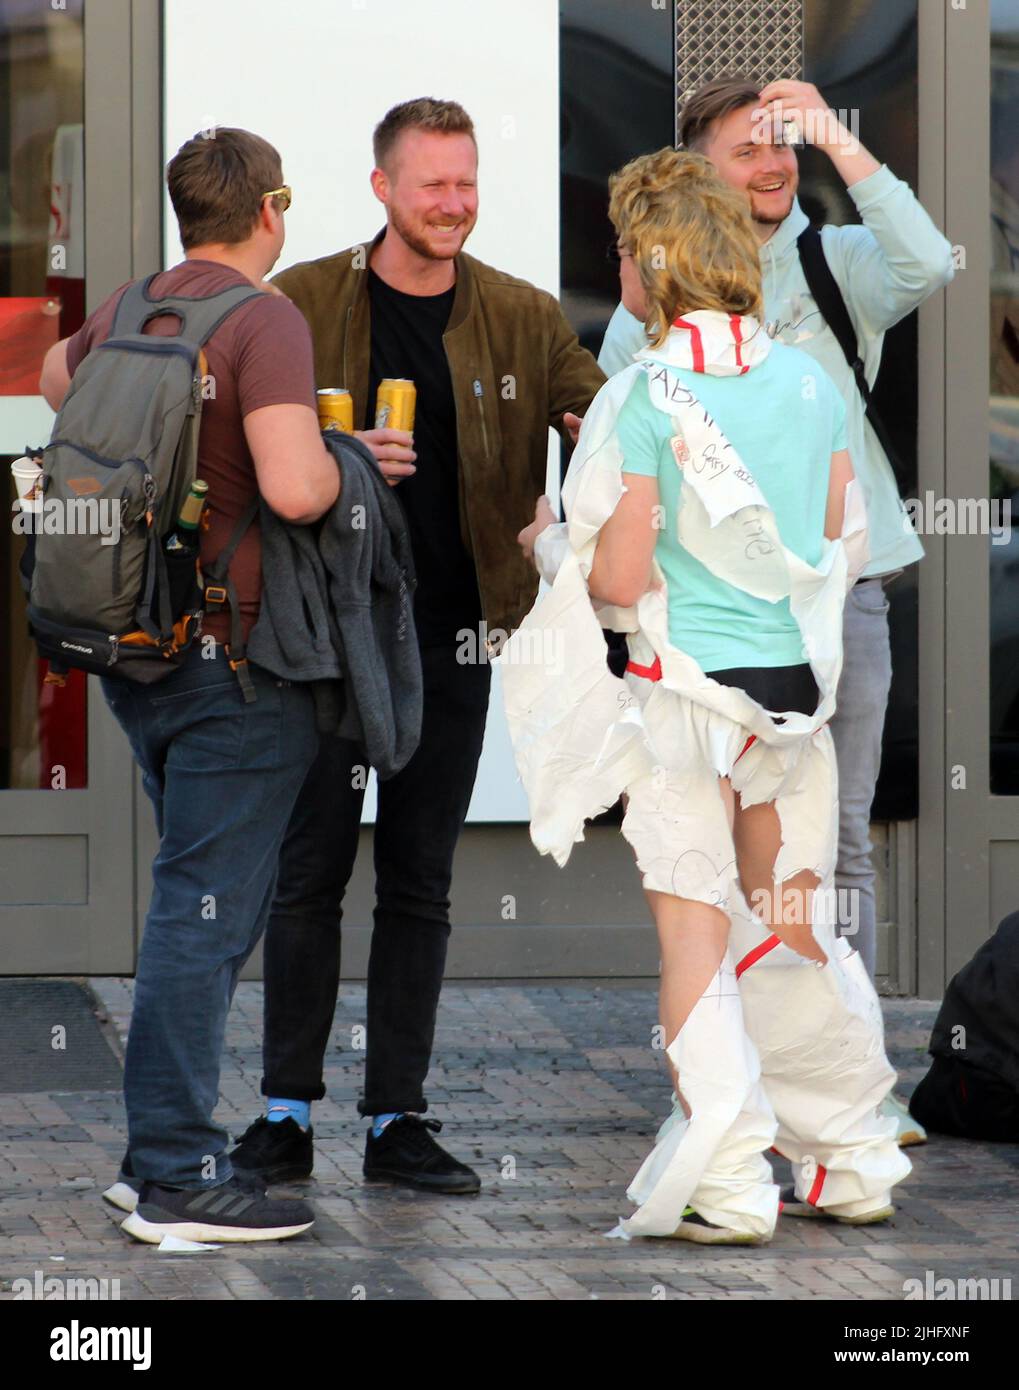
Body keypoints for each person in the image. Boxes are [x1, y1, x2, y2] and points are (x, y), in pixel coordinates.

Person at [507, 147, 910, 1244]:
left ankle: (728, 1182)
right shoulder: (809, 382)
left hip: (685, 704)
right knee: (793, 933)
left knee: (695, 945)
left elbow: (620, 582)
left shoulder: (637, 396)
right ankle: (852, 1159)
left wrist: (550, 548)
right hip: (794, 704)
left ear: (651, 262)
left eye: (624, 250)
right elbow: (841, 542)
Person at [229, 97, 605, 1194]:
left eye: (467, 182)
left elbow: (604, 417)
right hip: (324, 639)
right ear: (383, 187)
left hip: (456, 639)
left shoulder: (524, 318)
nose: (454, 204)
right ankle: (285, 1113)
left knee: (420, 881)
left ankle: (397, 1116)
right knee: (305, 879)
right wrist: (331, 450)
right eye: (432, 183)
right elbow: (238, 440)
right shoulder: (298, 303)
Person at [599, 77, 955, 1145]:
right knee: (707, 859)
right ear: (694, 168)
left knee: (833, 846)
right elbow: (623, 414)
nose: (770, 164)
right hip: (698, 624)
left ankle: (849, 1081)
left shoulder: (828, 263)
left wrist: (836, 136)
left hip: (835, 607)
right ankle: (733, 1076)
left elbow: (931, 261)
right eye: (746, 148)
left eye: (782, 148)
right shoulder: (653, 298)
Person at [39, 128, 341, 1243]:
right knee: (200, 912)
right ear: (272, 207)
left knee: (202, 897)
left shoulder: (133, 304)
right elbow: (299, 489)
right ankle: (172, 1166)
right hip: (233, 665)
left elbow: (55, 380)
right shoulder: (264, 318)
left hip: (135, 654)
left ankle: (159, 1156)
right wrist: (340, 447)